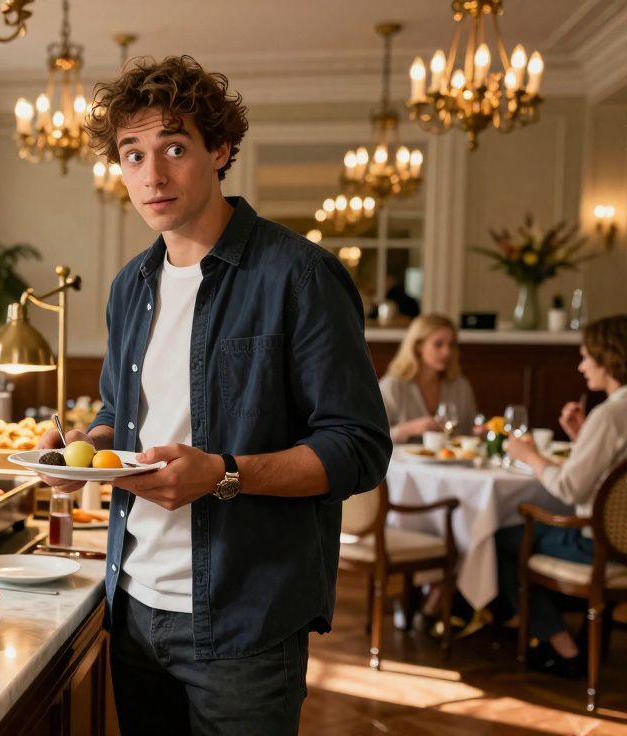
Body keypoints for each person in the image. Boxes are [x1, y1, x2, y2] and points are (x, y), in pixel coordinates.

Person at [37, 56, 391, 734]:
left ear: (221, 150)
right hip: (132, 603)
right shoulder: (130, 286)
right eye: (132, 154)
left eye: (174, 147)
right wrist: (84, 450)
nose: (152, 175)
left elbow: (359, 447)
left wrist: (224, 474)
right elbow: (119, 416)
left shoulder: (300, 275)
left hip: (246, 621)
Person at [501, 315, 627, 677]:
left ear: (608, 357)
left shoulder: (610, 414)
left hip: (598, 545)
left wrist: (529, 456)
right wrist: (581, 437)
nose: (581, 366)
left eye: (586, 357)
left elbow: (571, 488)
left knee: (501, 540)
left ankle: (563, 648)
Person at [379, 314, 477, 443]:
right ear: (418, 346)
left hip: (450, 456)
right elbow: (374, 438)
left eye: (452, 344)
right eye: (438, 344)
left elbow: (469, 435)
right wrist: (408, 429)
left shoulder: (461, 387)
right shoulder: (392, 386)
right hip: (402, 457)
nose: (447, 352)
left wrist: (479, 434)